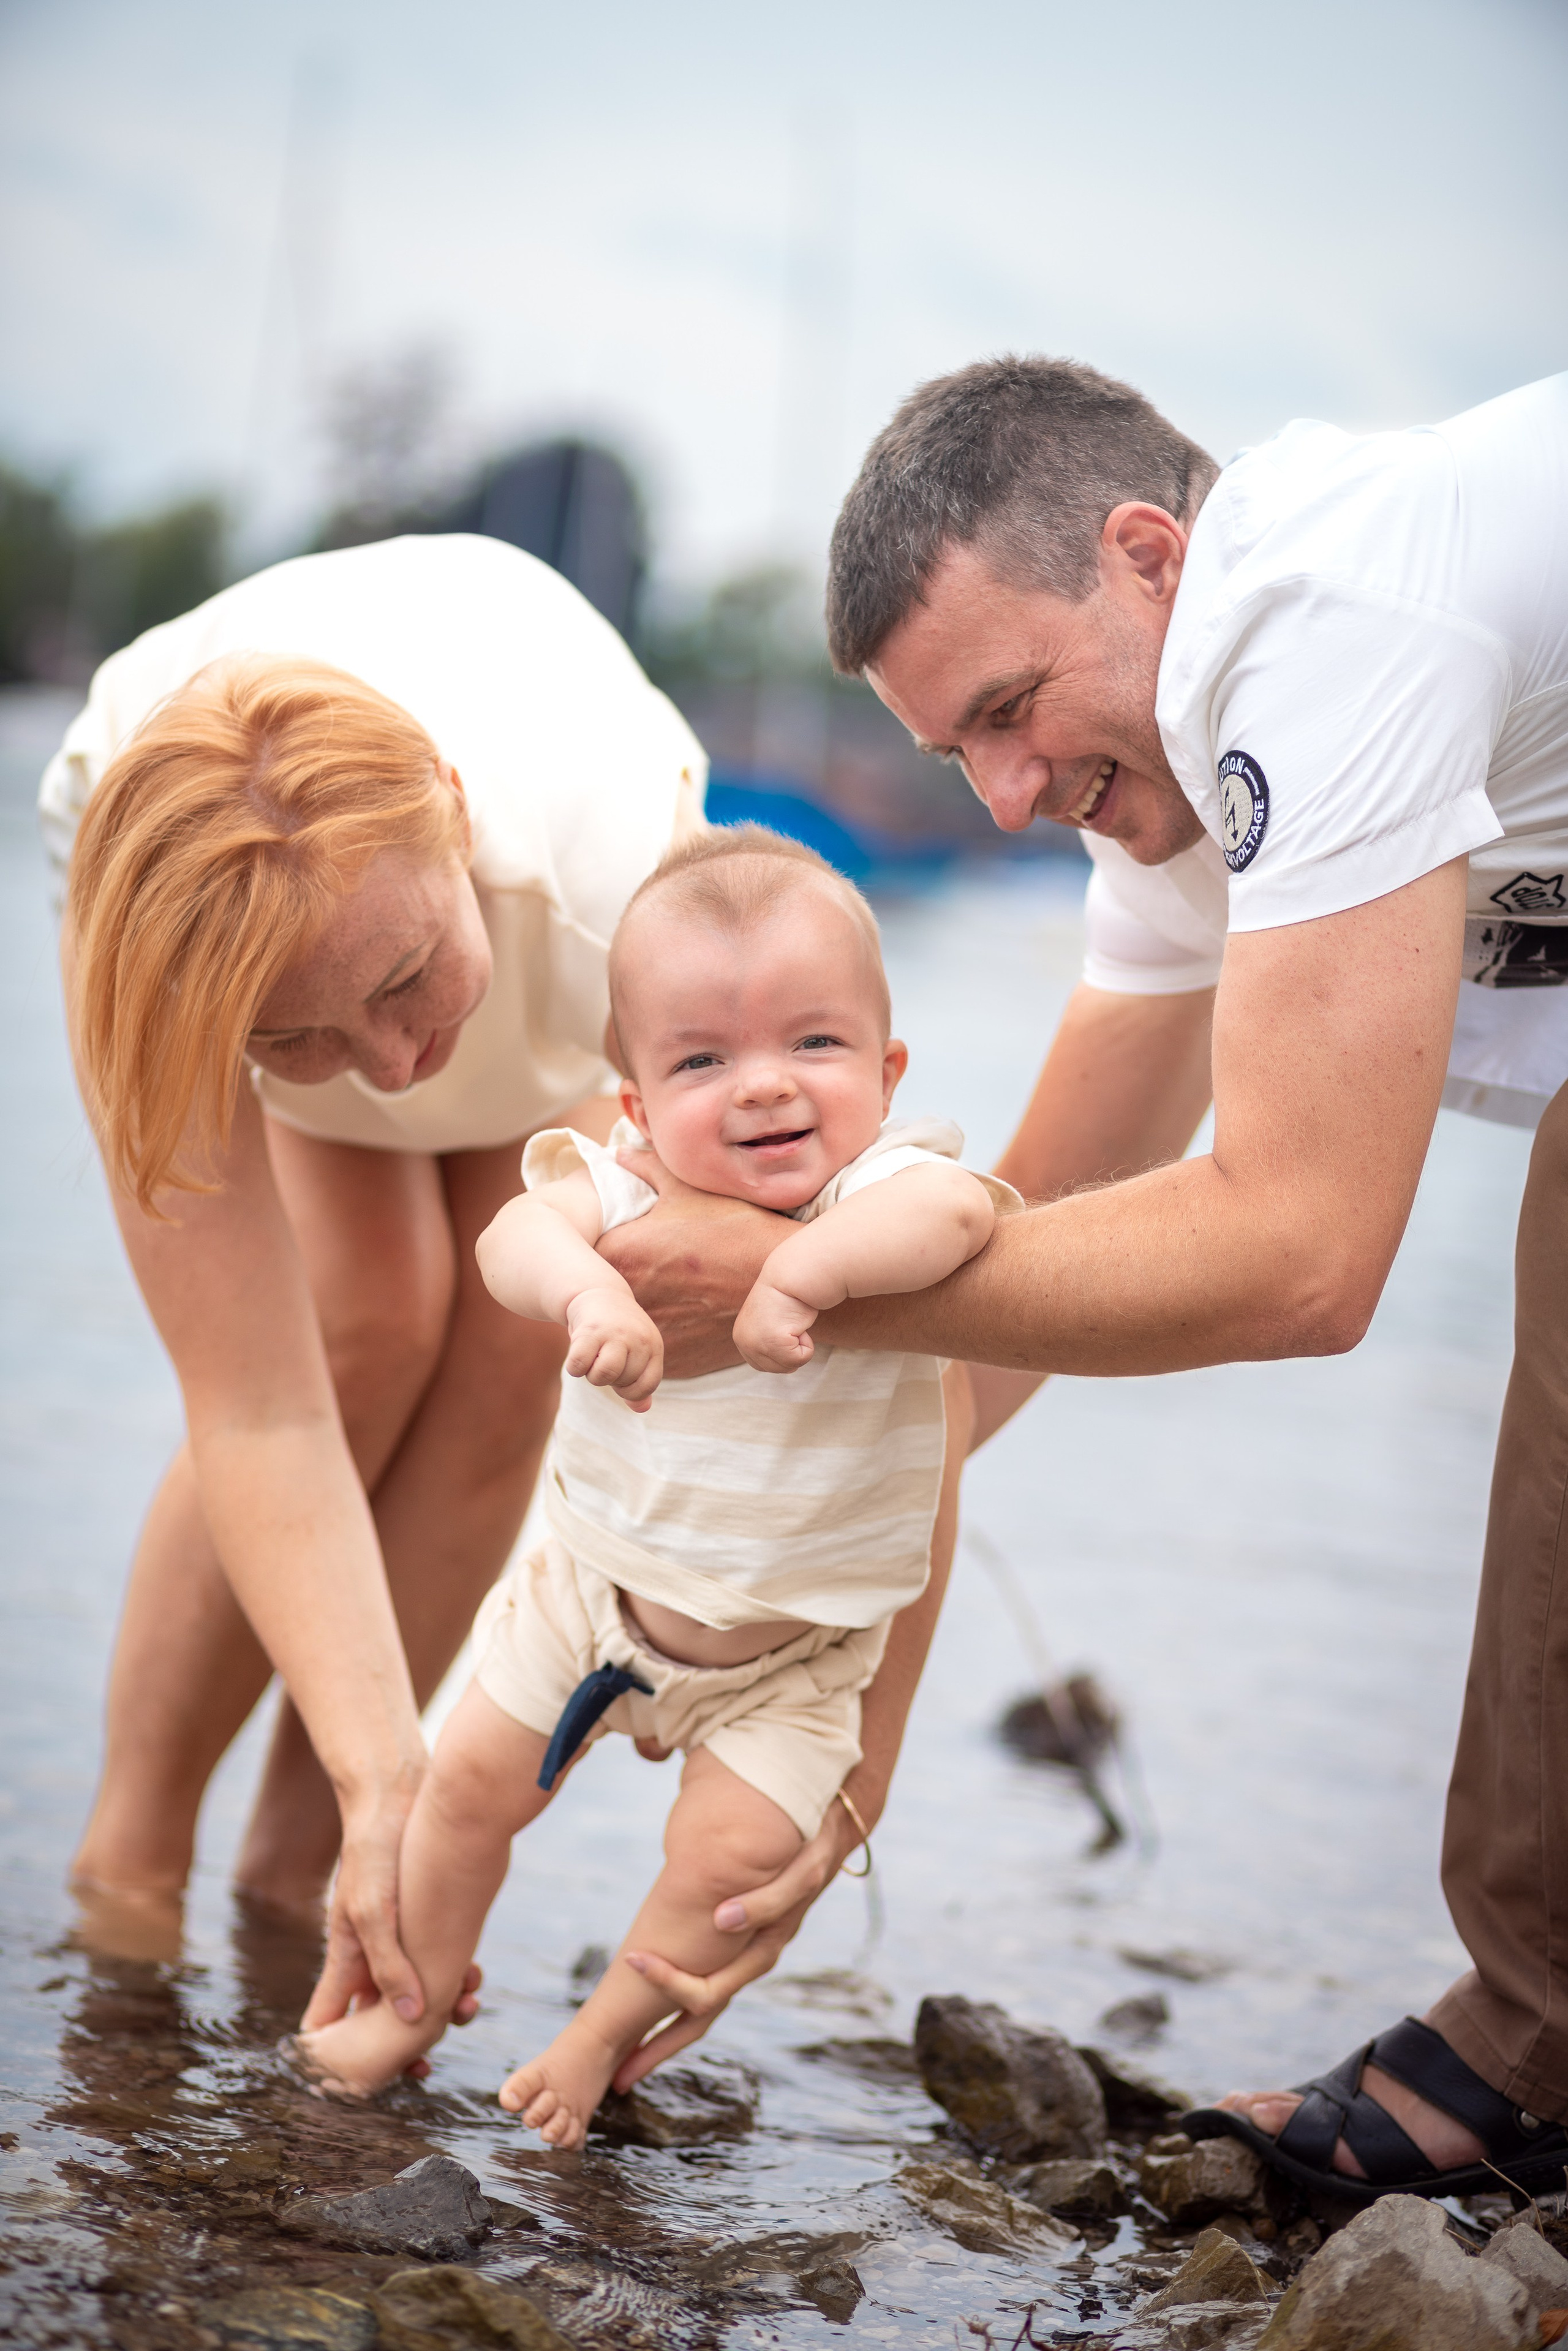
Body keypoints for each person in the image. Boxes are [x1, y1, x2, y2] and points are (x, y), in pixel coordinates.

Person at [600, 358, 1568, 2202]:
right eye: (961, 750)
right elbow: (1011, 1275)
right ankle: (1537, 2029)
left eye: (1015, 708)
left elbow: (1299, 1252)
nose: (1011, 792)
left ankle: (1527, 2035)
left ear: (1150, 556)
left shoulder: (1305, 622)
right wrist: (817, 1753)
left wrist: (787, 1275)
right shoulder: (1176, 805)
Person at [42, 534, 954, 2053]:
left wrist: (859, 1756)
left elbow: (903, 1354)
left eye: (405, 986)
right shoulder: (170, 936)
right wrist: (388, 1760)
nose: (397, 1068)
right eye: (308, 1041)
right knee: (363, 1322)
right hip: (219, 905)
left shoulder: (626, 903)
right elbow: (254, 1407)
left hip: (532, 958)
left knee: (500, 1354)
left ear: (456, 818)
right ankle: (129, 1863)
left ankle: (302, 1875)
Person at [294, 825, 1016, 2135]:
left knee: (726, 1872)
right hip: (589, 1597)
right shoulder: (617, 1185)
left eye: (813, 1043)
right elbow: (511, 1234)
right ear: (630, 1102)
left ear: (886, 1065)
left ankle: (592, 2042)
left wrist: (792, 1271)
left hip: (792, 1661)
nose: (759, 1088)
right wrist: (586, 1291)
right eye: (700, 1058)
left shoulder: (884, 1185)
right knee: (460, 1794)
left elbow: (961, 1221)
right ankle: (412, 1997)